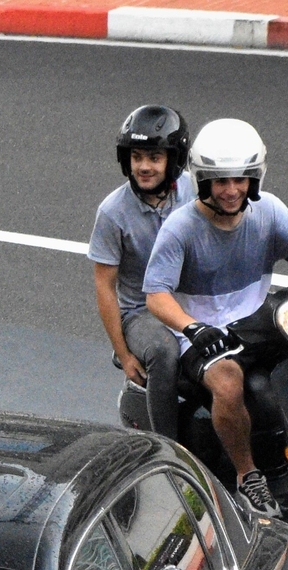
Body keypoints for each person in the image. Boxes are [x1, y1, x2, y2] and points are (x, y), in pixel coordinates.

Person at [141, 117, 288, 520]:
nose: (232, 191)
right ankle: (248, 476)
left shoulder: (269, 211)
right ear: (203, 182)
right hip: (205, 333)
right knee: (228, 381)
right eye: (221, 181)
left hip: (258, 317)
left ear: (255, 179)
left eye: (241, 180)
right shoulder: (181, 227)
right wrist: (193, 328)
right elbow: (155, 296)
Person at [89, 105, 197, 443]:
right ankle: (171, 450)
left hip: (194, 304)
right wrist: (123, 354)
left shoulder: (196, 193)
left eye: (154, 157)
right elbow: (105, 287)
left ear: (173, 160)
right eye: (137, 157)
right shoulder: (112, 212)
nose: (144, 167)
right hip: (143, 313)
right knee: (164, 352)